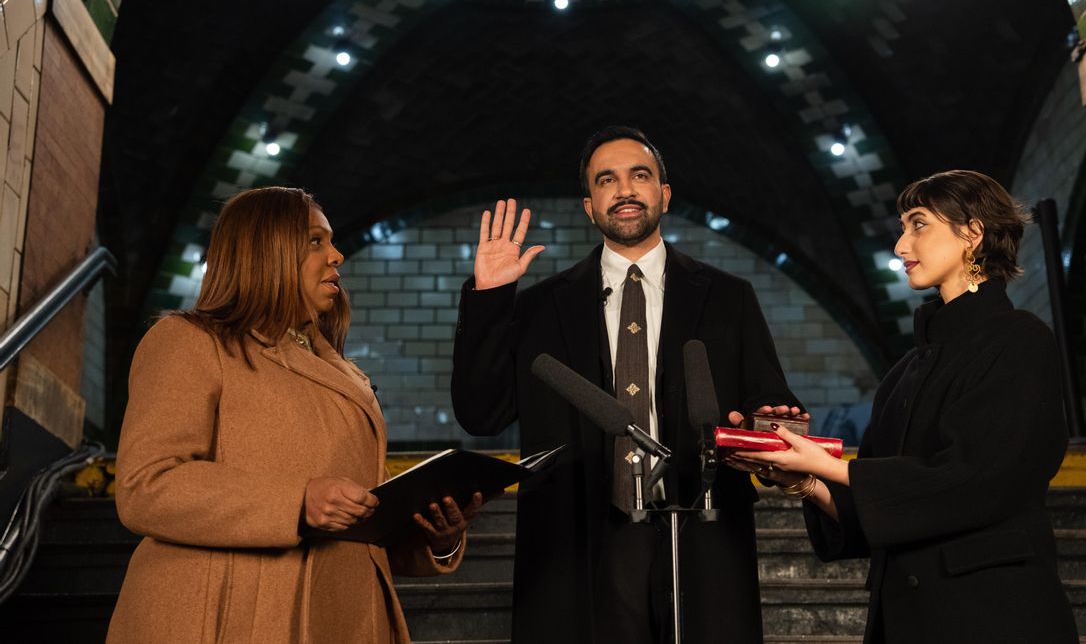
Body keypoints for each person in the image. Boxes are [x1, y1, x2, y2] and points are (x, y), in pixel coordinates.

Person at [451, 126, 803, 643]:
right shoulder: (541, 306)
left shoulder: (730, 298)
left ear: (664, 193)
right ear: (589, 207)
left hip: (700, 533)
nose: (624, 189)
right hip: (578, 543)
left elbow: (768, 404)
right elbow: (481, 414)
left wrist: (769, 429)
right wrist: (489, 299)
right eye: (606, 180)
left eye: (640, 175)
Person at [108, 187, 482, 644]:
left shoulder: (345, 375)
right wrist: (297, 502)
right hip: (229, 617)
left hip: (347, 616)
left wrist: (436, 537)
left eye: (332, 241)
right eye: (315, 241)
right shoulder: (187, 341)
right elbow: (146, 485)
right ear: (266, 249)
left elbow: (362, 517)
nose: (337, 256)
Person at [729, 170, 1079, 643]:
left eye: (918, 225)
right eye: (903, 227)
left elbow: (976, 479)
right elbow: (876, 511)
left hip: (993, 616)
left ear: (972, 233)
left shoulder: (1020, 340)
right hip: (904, 621)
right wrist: (803, 477)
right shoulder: (902, 374)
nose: (900, 246)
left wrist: (830, 467)